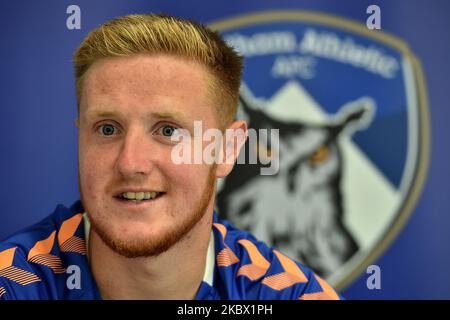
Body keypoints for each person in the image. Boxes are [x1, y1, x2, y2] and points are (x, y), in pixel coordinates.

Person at [0, 13, 342, 300]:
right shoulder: (13, 285)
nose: (131, 163)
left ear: (226, 149)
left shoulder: (293, 296)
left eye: (168, 131)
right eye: (107, 129)